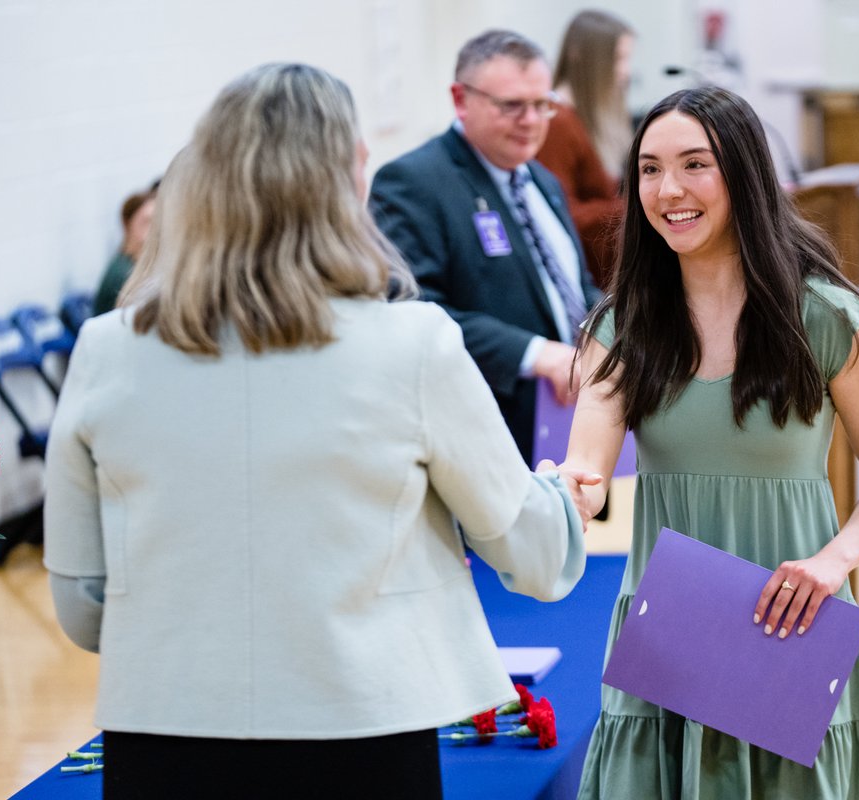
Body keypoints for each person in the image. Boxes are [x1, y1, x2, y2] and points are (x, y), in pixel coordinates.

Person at [43, 63, 596, 800]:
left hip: (163, 736)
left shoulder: (107, 347)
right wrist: (563, 492)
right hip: (360, 733)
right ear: (345, 183)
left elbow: (83, 608)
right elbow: (532, 554)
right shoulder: (413, 344)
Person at [561, 86, 859, 798]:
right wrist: (570, 490)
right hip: (669, 637)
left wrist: (833, 561)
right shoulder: (622, 329)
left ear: (744, 177)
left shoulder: (826, 317)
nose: (670, 190)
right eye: (650, 169)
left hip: (794, 628)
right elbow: (585, 467)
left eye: (696, 165)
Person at [370, 29, 600, 463]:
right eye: (512, 106)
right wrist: (536, 354)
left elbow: (575, 286)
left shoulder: (541, 181)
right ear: (461, 99)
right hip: (484, 435)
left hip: (566, 425)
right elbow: (411, 311)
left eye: (542, 105)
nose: (532, 121)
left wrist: (618, 330)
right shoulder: (412, 183)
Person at [536, 10, 634, 286]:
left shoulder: (586, 116)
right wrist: (635, 208)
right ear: (587, 58)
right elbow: (560, 214)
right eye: (618, 59)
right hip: (585, 277)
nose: (625, 70)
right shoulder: (558, 122)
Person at [92, 182, 157, 316]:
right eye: (146, 221)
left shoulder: (140, 263)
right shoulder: (122, 272)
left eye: (157, 221)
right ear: (128, 223)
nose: (153, 228)